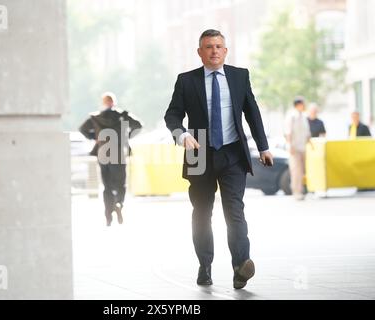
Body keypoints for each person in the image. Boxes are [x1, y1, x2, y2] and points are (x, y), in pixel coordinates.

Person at [164, 29, 273, 290]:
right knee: (202, 213)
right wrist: (181, 135)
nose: (214, 51)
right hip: (199, 152)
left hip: (233, 152)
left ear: (225, 50)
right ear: (199, 52)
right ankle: (205, 265)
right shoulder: (186, 80)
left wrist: (263, 146)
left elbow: (252, 112)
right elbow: (172, 115)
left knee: (234, 210)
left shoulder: (239, 76)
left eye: (219, 46)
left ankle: (240, 265)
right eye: (209, 47)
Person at [79, 92, 142, 226]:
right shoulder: (123, 115)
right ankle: (119, 203)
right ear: (114, 102)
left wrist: (94, 138)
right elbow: (138, 125)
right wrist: (126, 136)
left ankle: (108, 215)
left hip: (103, 153)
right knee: (120, 184)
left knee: (107, 186)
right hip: (119, 153)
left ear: (104, 103)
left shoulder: (96, 117)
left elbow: (82, 129)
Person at [284, 97, 311, 201]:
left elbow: (307, 133)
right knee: (296, 171)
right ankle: (296, 192)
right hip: (294, 147)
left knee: (303, 170)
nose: (304, 106)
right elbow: (288, 132)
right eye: (303, 104)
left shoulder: (304, 116)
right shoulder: (291, 116)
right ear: (298, 104)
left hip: (303, 147)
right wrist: (290, 145)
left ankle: (301, 190)